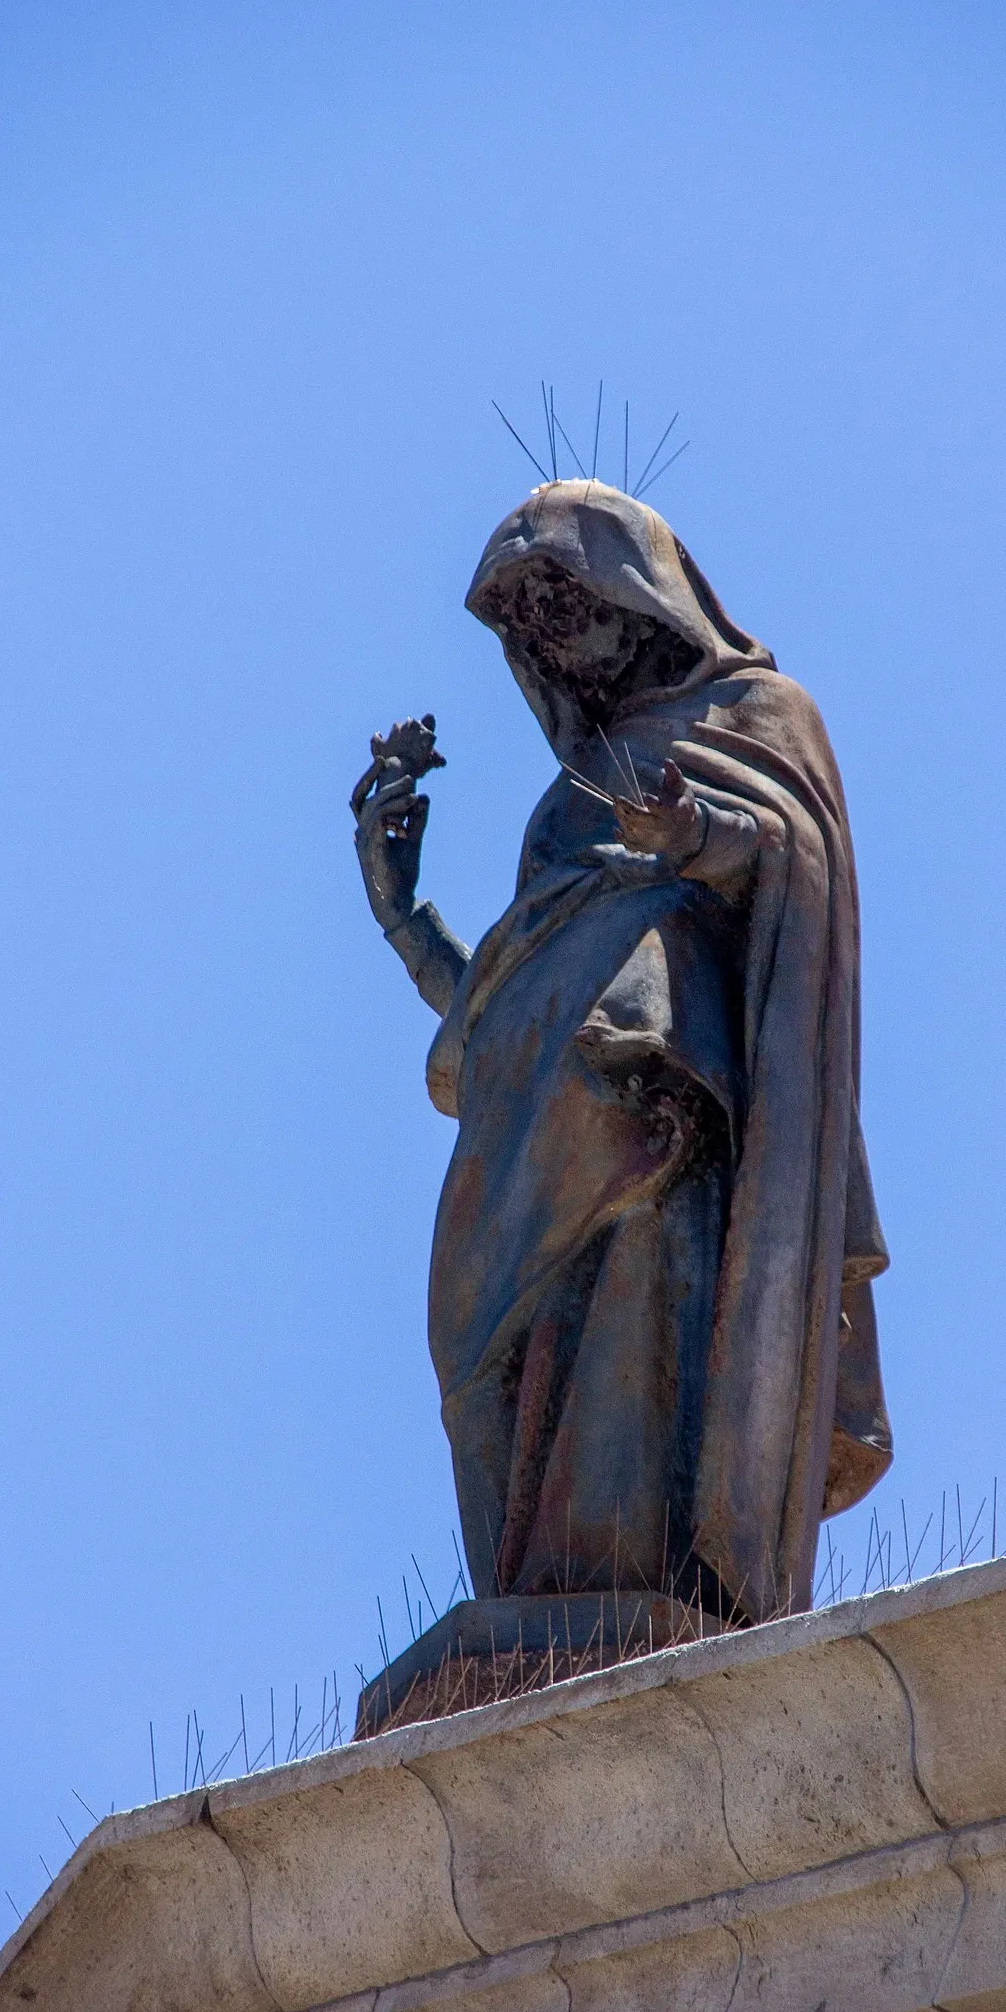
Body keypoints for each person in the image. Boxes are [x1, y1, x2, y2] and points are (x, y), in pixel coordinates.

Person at [355, 479, 891, 1622]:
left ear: (641, 597)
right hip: (526, 1141)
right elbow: (513, 1000)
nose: (553, 638)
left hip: (662, 1108)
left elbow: (798, 864)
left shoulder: (762, 713)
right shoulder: (569, 796)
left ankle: (651, 1595)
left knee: (638, 1350)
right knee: (491, 1368)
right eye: (529, 625)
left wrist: (697, 833)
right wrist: (403, 915)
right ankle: (538, 1616)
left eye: (565, 602)